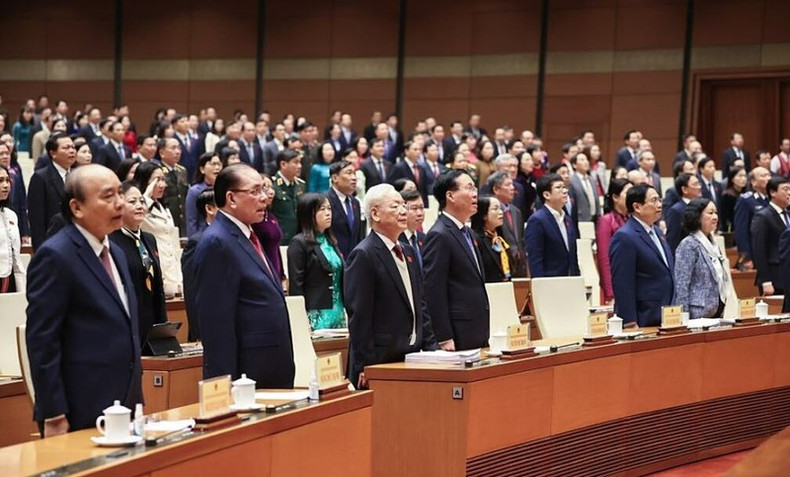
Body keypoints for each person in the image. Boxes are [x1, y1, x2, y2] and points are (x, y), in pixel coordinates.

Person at [26, 164, 142, 437]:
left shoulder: (116, 252)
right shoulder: (55, 255)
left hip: (123, 403)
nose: (120, 203)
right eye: (108, 196)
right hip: (78, 408)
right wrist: (53, 413)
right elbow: (43, 340)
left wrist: (136, 399)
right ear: (76, 207)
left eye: (120, 193)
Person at [194, 163, 295, 387]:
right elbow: (216, 323)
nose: (264, 197)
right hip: (246, 376)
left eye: (264, 189)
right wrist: (224, 386)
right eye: (255, 191)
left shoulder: (249, 234)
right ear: (231, 198)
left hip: (271, 366)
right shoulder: (217, 242)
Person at [345, 184, 437, 389]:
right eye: (395, 206)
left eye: (404, 205)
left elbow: (420, 304)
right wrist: (364, 365)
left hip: (411, 354)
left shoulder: (408, 251)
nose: (403, 211)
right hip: (379, 359)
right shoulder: (364, 254)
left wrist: (432, 348)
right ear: (375, 214)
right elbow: (359, 316)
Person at [423, 170, 489, 351]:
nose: (475, 194)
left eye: (475, 188)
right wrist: (443, 336)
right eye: (469, 188)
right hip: (457, 332)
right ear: (450, 196)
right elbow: (433, 290)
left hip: (477, 328)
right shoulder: (439, 234)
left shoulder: (469, 233)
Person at [110, 181, 167, 347]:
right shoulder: (111, 241)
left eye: (142, 201)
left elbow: (158, 286)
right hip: (129, 323)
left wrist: (163, 326)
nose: (140, 206)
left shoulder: (149, 239)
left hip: (153, 322)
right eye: (132, 201)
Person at [610, 184, 674, 327]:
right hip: (644, 315)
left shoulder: (658, 232)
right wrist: (629, 321)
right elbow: (622, 283)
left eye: (659, 200)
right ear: (637, 207)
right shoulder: (624, 236)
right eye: (654, 200)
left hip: (667, 313)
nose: (659, 205)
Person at [288, 193, 345, 330]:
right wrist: (300, 318)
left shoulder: (330, 240)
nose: (328, 213)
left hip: (337, 311)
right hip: (314, 314)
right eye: (322, 209)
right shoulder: (298, 243)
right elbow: (296, 285)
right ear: (308, 213)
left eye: (329, 208)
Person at [673, 198, 728, 319]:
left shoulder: (714, 243)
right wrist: (683, 316)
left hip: (717, 312)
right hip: (696, 314)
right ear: (697, 216)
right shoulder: (689, 244)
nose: (715, 217)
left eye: (716, 213)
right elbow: (681, 285)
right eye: (710, 213)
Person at [134, 161, 182, 296]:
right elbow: (136, 217)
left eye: (163, 180)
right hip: (154, 268)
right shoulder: (140, 207)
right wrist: (146, 196)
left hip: (173, 269)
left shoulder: (163, 206)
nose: (162, 185)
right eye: (156, 180)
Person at [525, 173, 580, 278]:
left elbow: (573, 256)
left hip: (570, 280)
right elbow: (535, 259)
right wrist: (540, 284)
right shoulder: (537, 220)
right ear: (546, 195)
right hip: (549, 281)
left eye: (564, 187)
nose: (565, 191)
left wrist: (576, 278)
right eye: (559, 187)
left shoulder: (568, 219)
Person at [29, 132, 75, 249]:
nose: (72, 151)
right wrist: (40, 250)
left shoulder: (78, 176)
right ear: (53, 153)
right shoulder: (41, 177)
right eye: (66, 148)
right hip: (53, 242)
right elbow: (37, 220)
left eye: (73, 147)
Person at [181, 188, 217, 342]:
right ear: (209, 209)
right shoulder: (197, 241)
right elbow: (191, 288)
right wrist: (197, 331)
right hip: (209, 324)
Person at [751, 176, 790, 296]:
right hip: (775, 277)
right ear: (773, 192)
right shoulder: (763, 216)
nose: (789, 193)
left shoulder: (788, 215)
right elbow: (759, 250)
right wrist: (766, 281)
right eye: (785, 189)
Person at [596, 178, 632, 305]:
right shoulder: (606, 221)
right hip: (616, 281)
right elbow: (604, 259)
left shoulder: (632, 220)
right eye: (627, 193)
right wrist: (610, 293)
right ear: (615, 197)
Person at [733, 167, 771, 269]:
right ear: (753, 182)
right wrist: (746, 257)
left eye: (769, 175)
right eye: (763, 176)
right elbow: (741, 230)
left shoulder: (773, 199)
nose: (768, 178)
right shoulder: (746, 200)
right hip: (756, 252)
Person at [327, 161, 364, 259]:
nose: (354, 178)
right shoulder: (325, 200)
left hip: (354, 259)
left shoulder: (355, 202)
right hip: (333, 258)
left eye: (354, 173)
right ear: (335, 178)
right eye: (349, 173)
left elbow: (359, 235)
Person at [471, 196, 513, 282]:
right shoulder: (476, 239)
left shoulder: (499, 238)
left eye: (500, 208)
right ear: (484, 215)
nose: (501, 212)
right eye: (495, 209)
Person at [251, 174, 285, 281]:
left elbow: (276, 247)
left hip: (275, 271)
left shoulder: (270, 216)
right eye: (265, 187)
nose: (271, 192)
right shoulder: (252, 219)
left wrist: (282, 275)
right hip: (261, 274)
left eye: (272, 187)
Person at [270, 149, 306, 244]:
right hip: (280, 237)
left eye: (300, 163)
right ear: (283, 164)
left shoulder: (301, 185)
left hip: (299, 237)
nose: (300, 166)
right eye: (296, 162)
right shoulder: (272, 185)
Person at [0, 165, 25, 292]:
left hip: (10, 279)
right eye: (0, 181)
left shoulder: (11, 215)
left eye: (7, 180)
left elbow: (16, 257)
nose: (6, 185)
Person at [157, 137, 189, 236]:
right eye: (173, 148)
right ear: (162, 152)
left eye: (179, 148)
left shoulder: (182, 171)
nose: (177, 152)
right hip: (166, 218)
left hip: (182, 219)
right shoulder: (158, 171)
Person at [185, 152, 222, 237]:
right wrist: (194, 240)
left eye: (219, 164)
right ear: (202, 169)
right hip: (203, 235)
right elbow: (191, 220)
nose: (217, 168)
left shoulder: (224, 188)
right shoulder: (194, 191)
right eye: (213, 164)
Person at [665, 172, 702, 253]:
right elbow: (673, 240)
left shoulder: (701, 207)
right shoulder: (676, 210)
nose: (699, 187)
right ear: (684, 189)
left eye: (699, 183)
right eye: (695, 184)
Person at [569, 152, 601, 223]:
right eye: (582, 160)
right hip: (580, 218)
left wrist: (599, 214)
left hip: (595, 217)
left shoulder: (591, 179)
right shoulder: (571, 181)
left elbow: (596, 199)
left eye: (586, 159)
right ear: (574, 165)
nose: (586, 162)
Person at [398, 188, 426, 271]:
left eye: (422, 208)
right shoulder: (396, 239)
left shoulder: (424, 238)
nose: (420, 213)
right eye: (414, 208)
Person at [719, 167, 747, 233]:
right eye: (740, 176)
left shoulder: (746, 194)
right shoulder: (728, 195)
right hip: (733, 229)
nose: (743, 179)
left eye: (745, 176)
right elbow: (725, 217)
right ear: (732, 179)